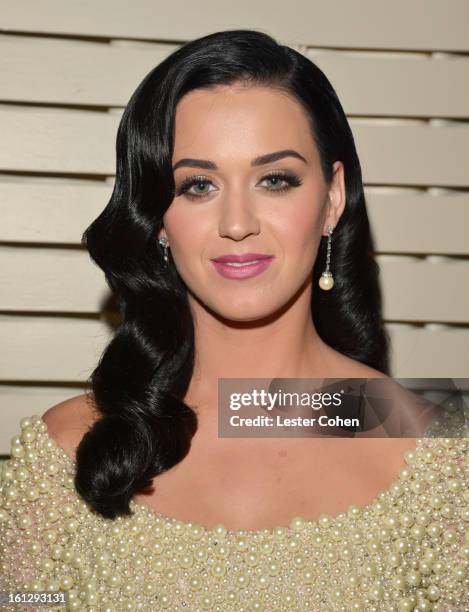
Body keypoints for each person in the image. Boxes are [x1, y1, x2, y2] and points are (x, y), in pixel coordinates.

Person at [0, 29, 467, 611]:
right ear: (159, 220)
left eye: (275, 179)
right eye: (198, 185)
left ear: (333, 198)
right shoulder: (66, 450)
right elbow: (22, 601)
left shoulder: (439, 458)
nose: (238, 221)